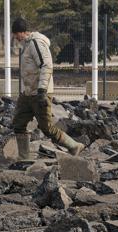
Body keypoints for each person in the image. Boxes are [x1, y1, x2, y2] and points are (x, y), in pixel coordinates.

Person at [11, 17, 83, 159]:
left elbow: (46, 65)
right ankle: (23, 158)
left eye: (15, 34)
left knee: (46, 127)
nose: (14, 37)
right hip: (28, 93)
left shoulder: (36, 43)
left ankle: (74, 145)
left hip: (40, 93)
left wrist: (42, 90)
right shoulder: (26, 45)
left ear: (20, 32)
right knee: (18, 123)